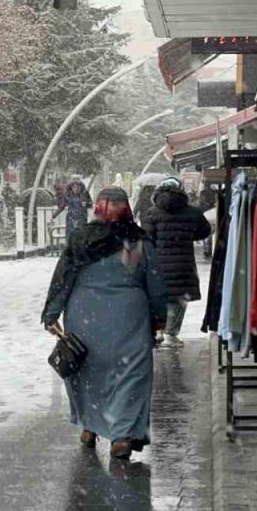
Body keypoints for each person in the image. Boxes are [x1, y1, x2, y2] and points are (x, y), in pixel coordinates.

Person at [41, 187, 168, 460]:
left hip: (84, 314)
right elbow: (155, 284)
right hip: (128, 317)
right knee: (130, 374)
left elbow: (63, 278)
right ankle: (121, 435)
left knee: (86, 372)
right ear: (126, 209)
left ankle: (89, 426)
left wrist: (51, 313)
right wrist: (159, 317)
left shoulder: (81, 239)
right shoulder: (138, 242)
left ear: (97, 208)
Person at [140, 177, 212, 349]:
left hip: (159, 264)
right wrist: (187, 235)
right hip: (184, 264)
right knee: (179, 298)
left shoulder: (151, 213)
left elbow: (146, 238)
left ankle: (159, 330)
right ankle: (171, 333)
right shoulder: (192, 212)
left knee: (159, 297)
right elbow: (205, 230)